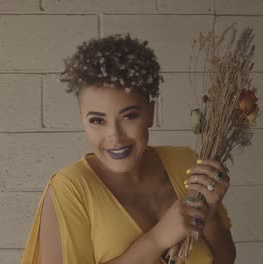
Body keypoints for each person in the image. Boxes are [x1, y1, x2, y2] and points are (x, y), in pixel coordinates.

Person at [21, 34, 236, 264]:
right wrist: (156, 240)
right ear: (82, 119)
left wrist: (210, 216)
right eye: (97, 120)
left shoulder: (186, 163)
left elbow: (225, 259)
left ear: (151, 113)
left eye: (129, 116)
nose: (115, 136)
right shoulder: (71, 189)